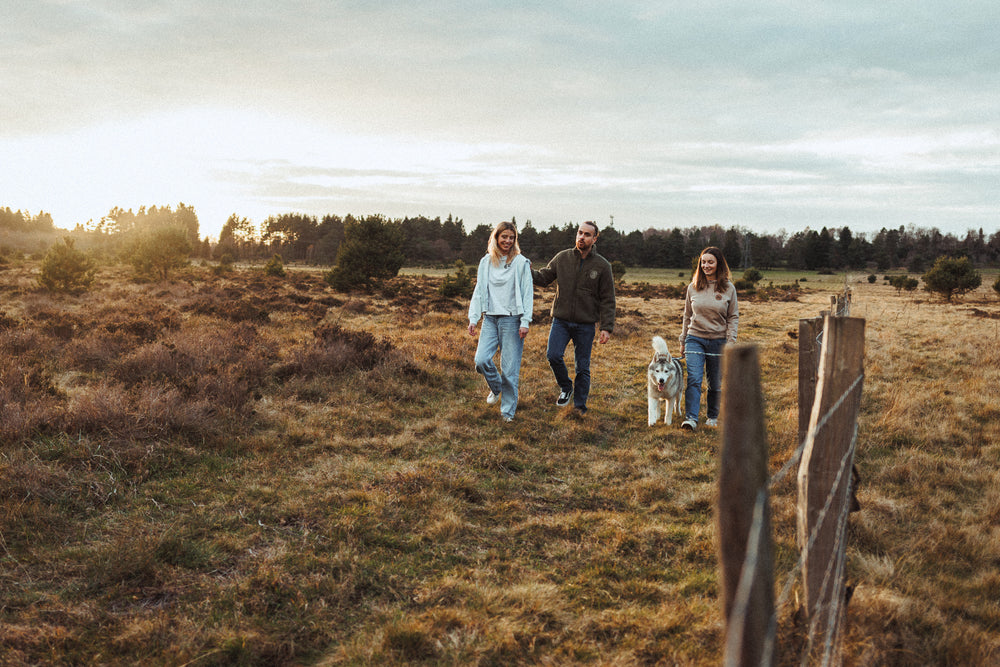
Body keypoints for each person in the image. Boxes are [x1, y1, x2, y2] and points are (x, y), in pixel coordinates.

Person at [532, 220, 616, 414]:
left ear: (594, 239)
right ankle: (566, 387)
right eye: (580, 233)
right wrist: (524, 269)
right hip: (561, 321)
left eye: (587, 234)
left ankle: (579, 407)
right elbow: (544, 278)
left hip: (585, 325)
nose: (582, 237)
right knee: (553, 355)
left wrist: (606, 327)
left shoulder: (602, 266)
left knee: (582, 367)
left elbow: (608, 299)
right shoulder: (562, 258)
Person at [468, 221, 533, 422]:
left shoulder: (521, 262)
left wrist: (525, 321)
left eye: (511, 237)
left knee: (510, 370)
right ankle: (496, 388)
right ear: (496, 238)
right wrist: (473, 318)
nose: (507, 240)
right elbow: (479, 291)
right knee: (480, 360)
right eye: (504, 236)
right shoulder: (486, 262)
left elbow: (527, 292)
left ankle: (507, 413)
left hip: (512, 320)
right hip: (490, 319)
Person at [678, 246, 739, 430]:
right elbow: (687, 315)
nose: (706, 265)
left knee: (714, 383)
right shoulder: (693, 287)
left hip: (718, 341)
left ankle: (712, 416)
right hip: (694, 338)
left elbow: (733, 316)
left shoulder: (729, 289)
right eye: (703, 262)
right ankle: (691, 418)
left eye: (710, 262)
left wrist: (731, 342)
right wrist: (683, 339)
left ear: (718, 264)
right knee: (695, 379)